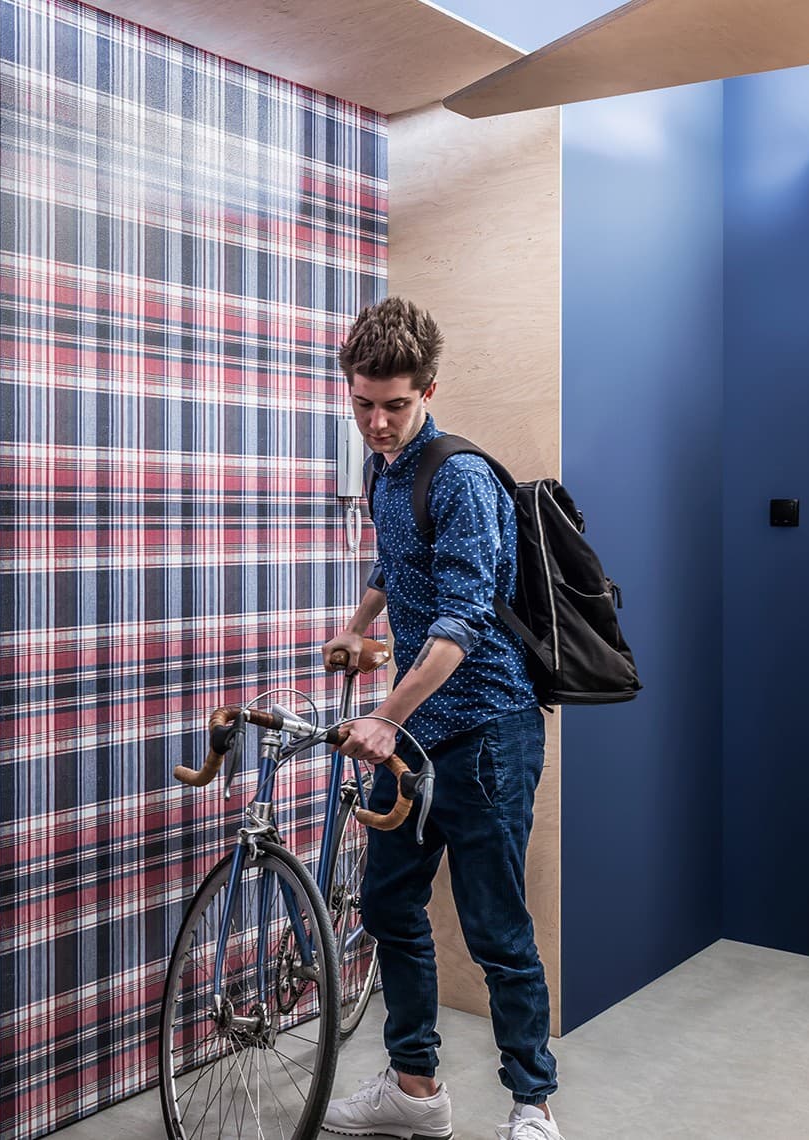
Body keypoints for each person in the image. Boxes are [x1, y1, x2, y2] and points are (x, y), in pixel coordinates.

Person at [320, 297, 562, 1140]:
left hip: (487, 730)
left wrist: (385, 716)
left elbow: (463, 620)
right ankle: (414, 1090)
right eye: (363, 404)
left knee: (496, 928)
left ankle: (533, 1106)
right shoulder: (383, 467)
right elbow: (398, 560)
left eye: (395, 405)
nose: (377, 423)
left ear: (429, 390)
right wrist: (358, 624)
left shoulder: (458, 476)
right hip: (420, 733)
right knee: (389, 907)